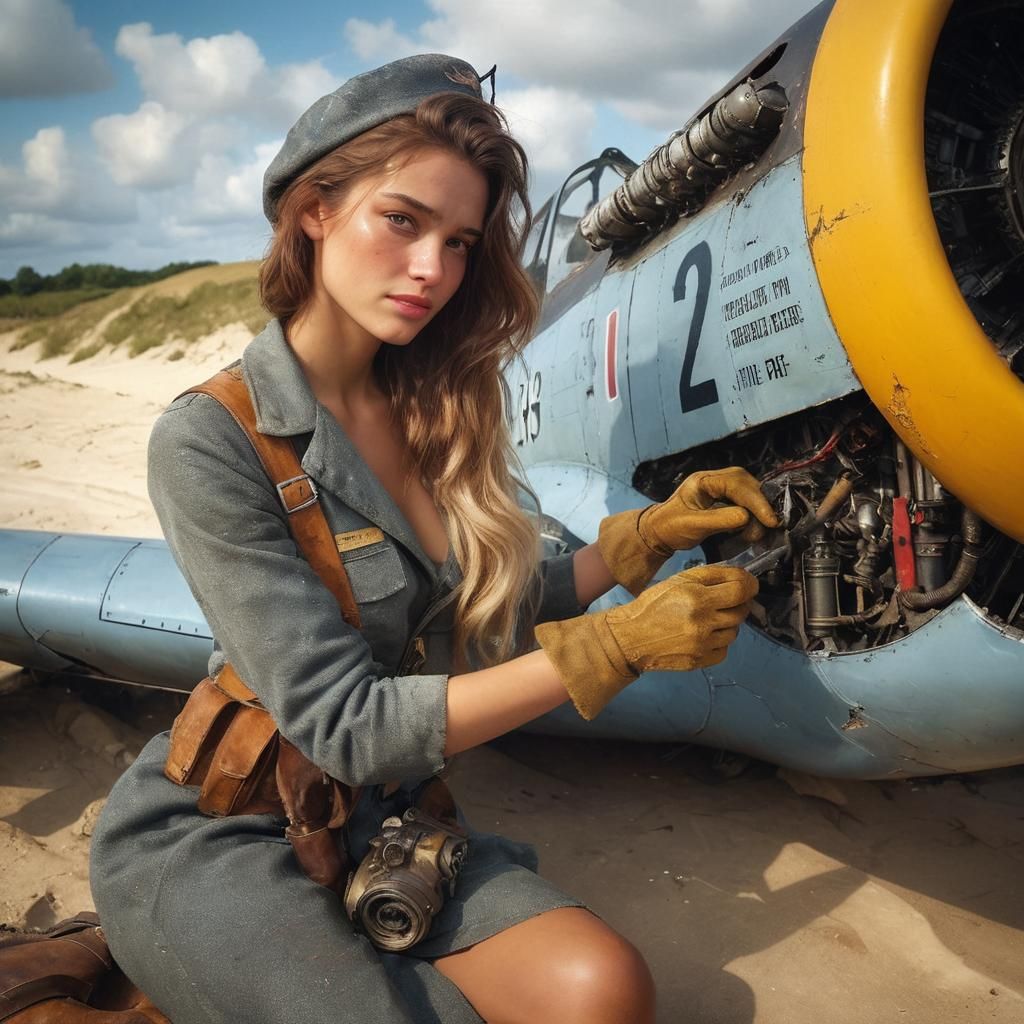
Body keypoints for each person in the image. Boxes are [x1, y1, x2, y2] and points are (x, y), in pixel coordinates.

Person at [90, 54, 777, 1024]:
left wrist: (641, 543)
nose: (432, 269)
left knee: (602, 990)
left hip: (385, 818)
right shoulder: (209, 438)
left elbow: (481, 604)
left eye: (458, 241)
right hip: (222, 824)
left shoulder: (427, 413)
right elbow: (346, 724)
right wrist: (614, 646)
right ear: (314, 211)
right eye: (402, 221)